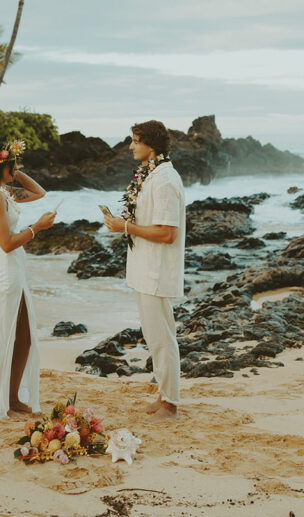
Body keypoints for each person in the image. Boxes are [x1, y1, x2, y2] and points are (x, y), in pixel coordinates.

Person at [103, 120, 184, 420]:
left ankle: (170, 404)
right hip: (145, 268)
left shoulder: (164, 180)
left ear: (151, 145)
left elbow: (167, 233)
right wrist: (123, 225)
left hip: (157, 270)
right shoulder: (152, 174)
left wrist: (124, 226)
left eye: (136, 140)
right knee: (155, 336)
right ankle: (164, 395)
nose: (130, 146)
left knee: (163, 338)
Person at [0, 139, 56, 420]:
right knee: (6, 340)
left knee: (23, 338)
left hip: (10, 270)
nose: (17, 167)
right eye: (13, 163)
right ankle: (1, 402)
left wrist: (14, 169)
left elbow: (39, 192)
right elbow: (6, 243)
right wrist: (38, 227)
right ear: (0, 165)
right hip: (4, 271)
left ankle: (12, 397)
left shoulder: (0, 192)